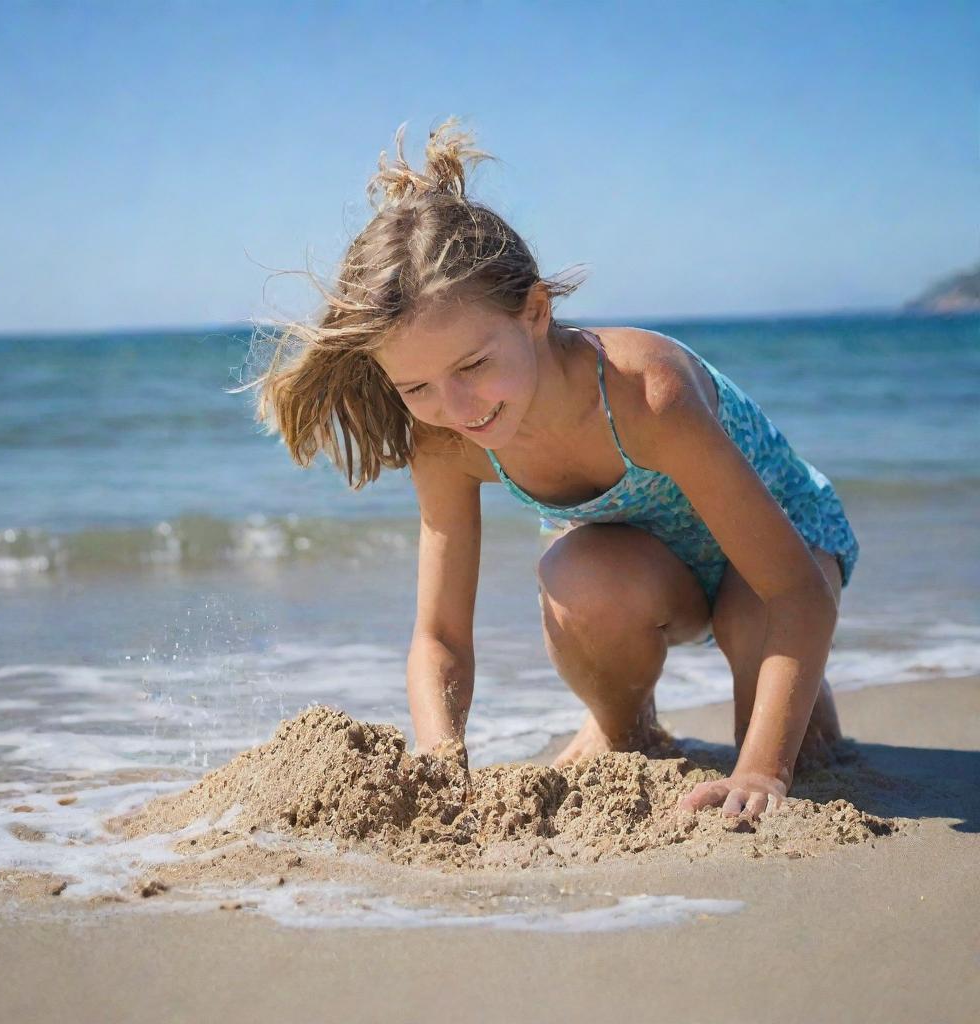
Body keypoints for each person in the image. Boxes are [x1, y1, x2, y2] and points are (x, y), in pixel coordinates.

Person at [248, 117, 860, 821]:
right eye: (415, 387)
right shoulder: (443, 439)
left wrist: (761, 771)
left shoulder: (644, 395)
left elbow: (794, 593)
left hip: (783, 557)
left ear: (535, 312)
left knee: (800, 755)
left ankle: (796, 688)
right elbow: (440, 636)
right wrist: (441, 767)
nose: (456, 407)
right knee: (575, 580)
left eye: (473, 365)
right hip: (652, 570)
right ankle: (625, 726)